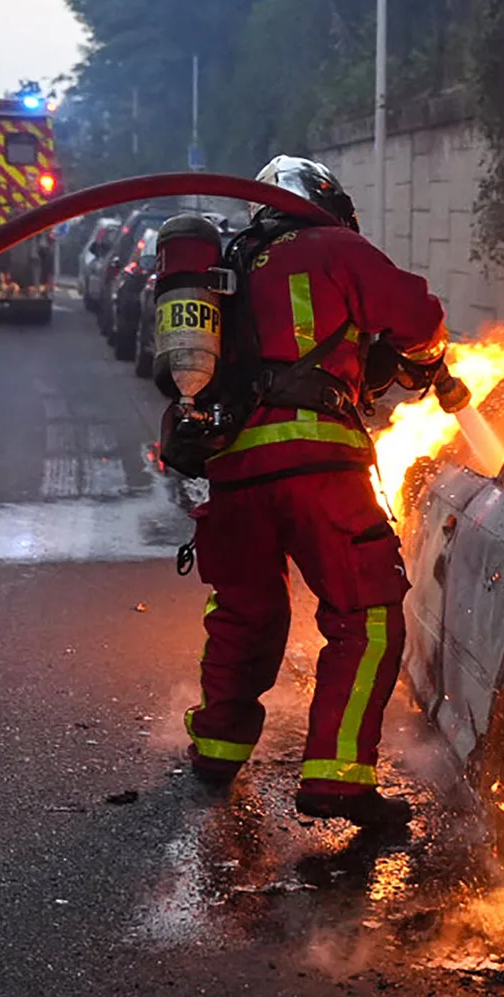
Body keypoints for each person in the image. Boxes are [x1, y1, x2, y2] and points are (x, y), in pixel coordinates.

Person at [180, 155, 450, 831]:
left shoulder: (229, 267)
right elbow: (419, 316)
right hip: (316, 465)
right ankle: (338, 778)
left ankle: (216, 746)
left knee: (245, 611)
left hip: (234, 470)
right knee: (370, 613)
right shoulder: (336, 246)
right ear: (327, 203)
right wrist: (423, 357)